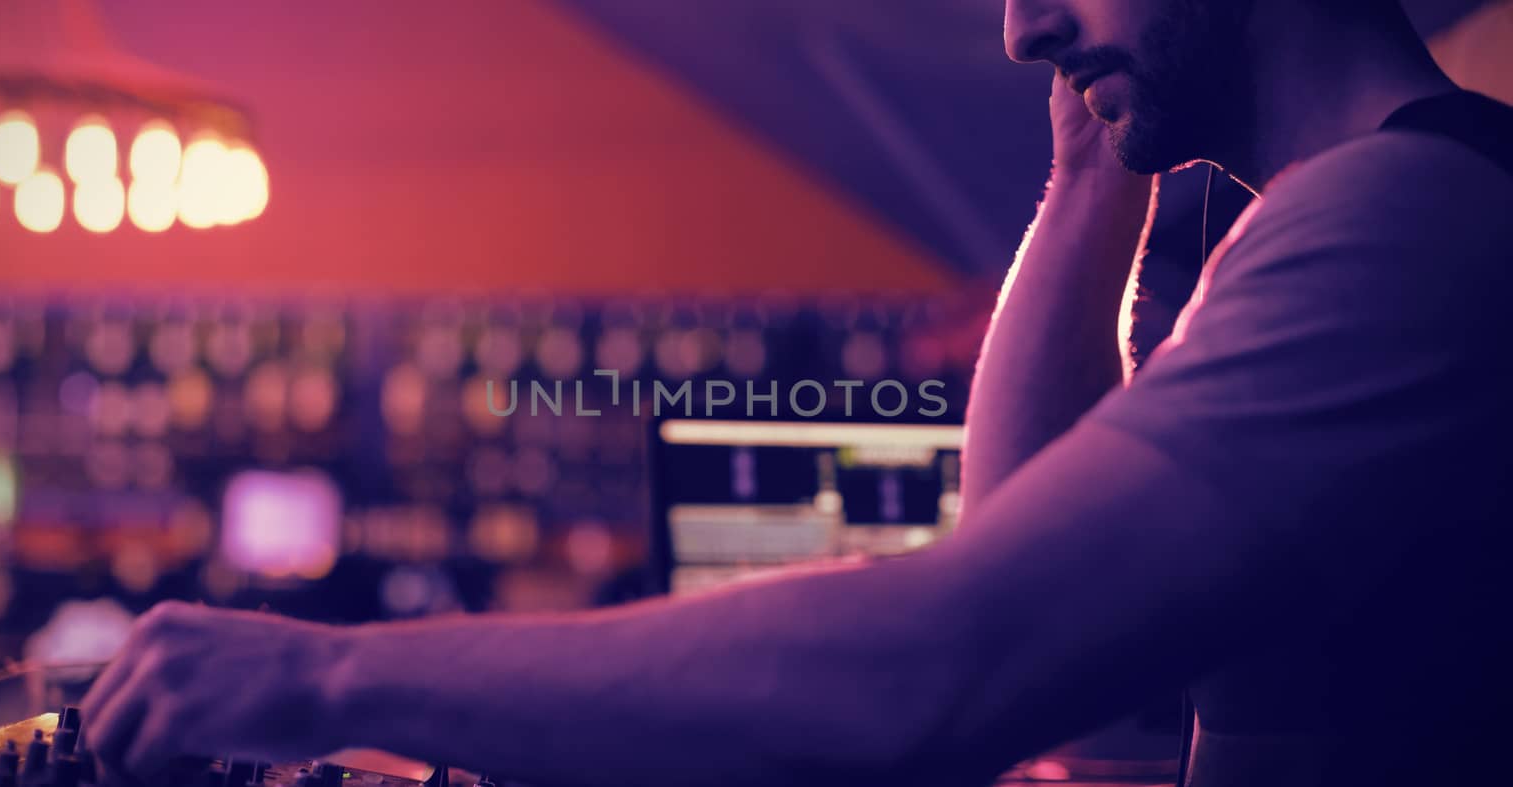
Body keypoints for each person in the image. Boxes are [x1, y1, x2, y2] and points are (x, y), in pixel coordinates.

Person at [83, 2, 1513, 785]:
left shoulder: (1402, 225)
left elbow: (949, 671)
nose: (1021, 31)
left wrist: (322, 676)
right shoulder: (1319, 220)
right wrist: (1089, 179)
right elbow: (1045, 660)